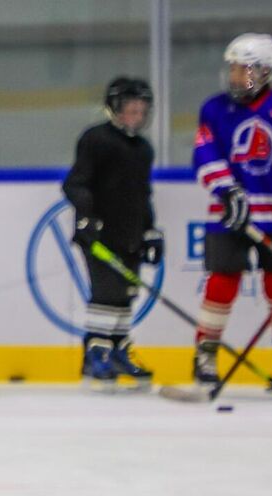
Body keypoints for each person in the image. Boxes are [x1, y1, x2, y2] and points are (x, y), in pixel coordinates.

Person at [191, 34, 272, 391]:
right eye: (232, 69)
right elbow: (204, 154)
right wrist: (227, 189)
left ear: (264, 72)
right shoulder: (214, 109)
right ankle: (206, 354)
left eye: (243, 70)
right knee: (222, 282)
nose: (235, 77)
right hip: (226, 216)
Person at [63, 77, 160, 391]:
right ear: (114, 109)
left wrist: (150, 231)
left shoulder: (144, 150)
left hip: (130, 236)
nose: (135, 116)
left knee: (126, 296)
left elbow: (143, 195)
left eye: (140, 111)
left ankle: (119, 350)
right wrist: (86, 219)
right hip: (100, 238)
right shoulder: (96, 139)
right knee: (106, 293)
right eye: (129, 109)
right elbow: (75, 183)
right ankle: (96, 354)